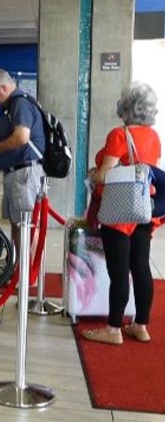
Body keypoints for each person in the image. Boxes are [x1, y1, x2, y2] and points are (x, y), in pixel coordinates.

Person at [82, 82, 160, 345]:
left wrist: (94, 174)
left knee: (119, 271)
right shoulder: (153, 137)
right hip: (143, 208)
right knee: (141, 268)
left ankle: (114, 328)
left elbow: (106, 173)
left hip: (119, 212)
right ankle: (141, 325)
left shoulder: (119, 135)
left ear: (125, 107)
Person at [0, 68, 45, 250]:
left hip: (24, 174)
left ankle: (28, 273)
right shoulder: (10, 106)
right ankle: (18, 267)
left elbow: (21, 137)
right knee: (17, 222)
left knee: (27, 224)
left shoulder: (20, 104)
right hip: (15, 174)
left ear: (4, 88)